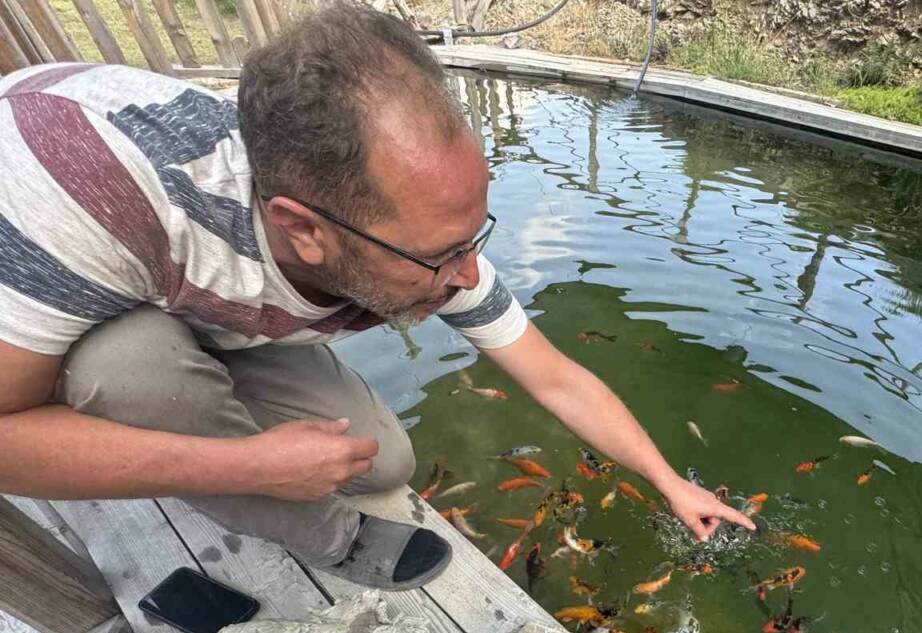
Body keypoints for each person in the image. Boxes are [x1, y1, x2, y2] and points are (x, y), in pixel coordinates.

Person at [0, 5, 753, 591]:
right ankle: (315, 535)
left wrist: (668, 482)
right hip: (59, 262)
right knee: (130, 368)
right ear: (304, 229)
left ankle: (205, 397)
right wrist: (245, 469)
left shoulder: (418, 237)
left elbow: (557, 378)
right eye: (439, 256)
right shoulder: (88, 198)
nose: (467, 274)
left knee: (381, 463)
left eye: (472, 237)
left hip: (194, 300)